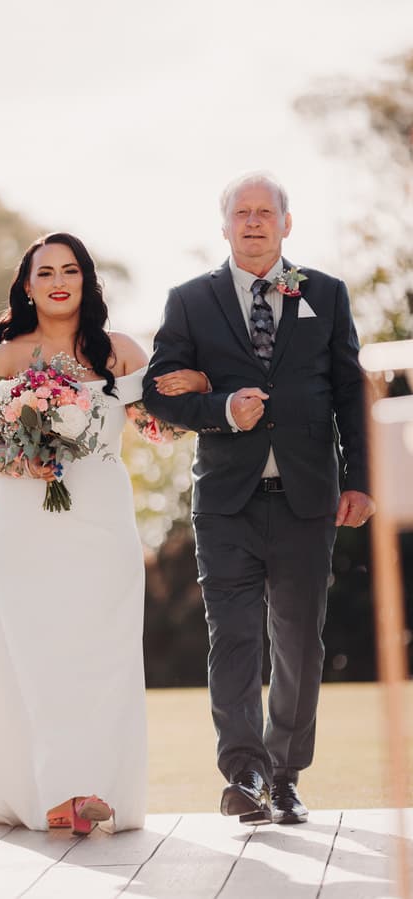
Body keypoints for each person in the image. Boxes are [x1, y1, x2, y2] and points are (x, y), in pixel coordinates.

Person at [142, 172, 374, 826]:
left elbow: (351, 395)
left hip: (307, 498)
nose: (251, 222)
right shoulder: (190, 300)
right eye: (239, 213)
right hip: (225, 503)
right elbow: (159, 392)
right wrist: (221, 408)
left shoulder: (324, 294)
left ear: (285, 223)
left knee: (300, 644)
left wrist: (360, 479)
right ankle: (242, 772)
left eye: (263, 211)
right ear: (224, 227)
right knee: (234, 639)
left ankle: (286, 773)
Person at [0, 232, 163, 834]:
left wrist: (193, 400)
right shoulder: (6, 357)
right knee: (37, 659)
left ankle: (94, 787)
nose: (59, 280)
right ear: (28, 286)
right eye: (46, 272)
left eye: (71, 270)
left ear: (87, 281)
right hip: (23, 529)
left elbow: (155, 429)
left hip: (103, 524)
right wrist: (26, 462)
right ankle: (57, 792)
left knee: (102, 656)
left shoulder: (120, 354)